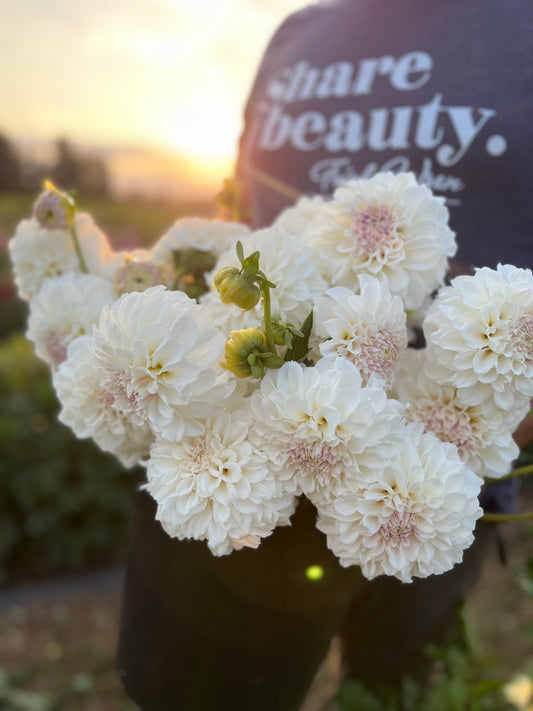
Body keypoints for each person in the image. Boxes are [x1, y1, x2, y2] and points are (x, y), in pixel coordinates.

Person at [117, 2, 533, 709]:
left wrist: (493, 425)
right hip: (253, 467)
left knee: (395, 688)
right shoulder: (295, 33)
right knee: (202, 690)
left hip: (435, 476)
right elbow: (244, 215)